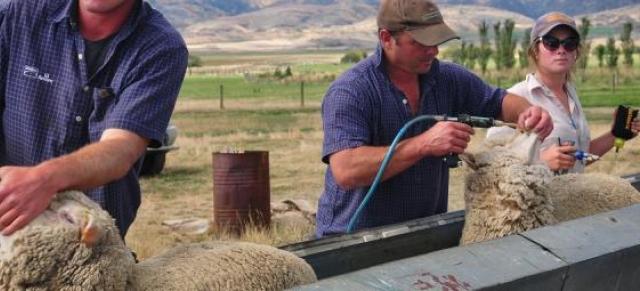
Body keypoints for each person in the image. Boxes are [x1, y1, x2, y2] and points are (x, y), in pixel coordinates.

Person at [316, 0, 553, 237]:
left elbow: (498, 101)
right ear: (387, 38)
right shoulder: (351, 91)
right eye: (420, 43)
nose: (433, 51)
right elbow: (346, 170)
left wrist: (528, 112)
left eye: (436, 41)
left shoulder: (447, 78)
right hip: (352, 243)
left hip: (423, 234)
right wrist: (424, 144)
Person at [0, 0, 188, 237]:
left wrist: (44, 179)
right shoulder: (18, 17)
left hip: (93, 241)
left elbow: (120, 148)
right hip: (9, 228)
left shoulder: (160, 47)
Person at [492, 11, 639, 173]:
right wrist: (540, 162)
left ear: (576, 51)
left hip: (571, 196)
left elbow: (578, 158)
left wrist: (616, 134)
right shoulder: (515, 98)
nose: (561, 50)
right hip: (538, 198)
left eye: (570, 43)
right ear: (535, 50)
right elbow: (491, 163)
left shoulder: (571, 93)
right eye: (551, 42)